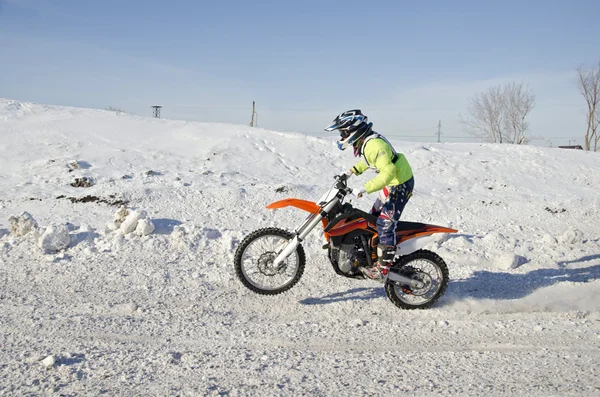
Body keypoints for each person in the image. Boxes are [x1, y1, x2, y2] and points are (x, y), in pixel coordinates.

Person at [325, 109, 414, 281]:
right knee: (371, 218)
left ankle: (383, 268)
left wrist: (364, 188)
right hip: (392, 183)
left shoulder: (375, 145)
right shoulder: (366, 142)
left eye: (343, 132)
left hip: (400, 184)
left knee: (384, 223)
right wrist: (351, 171)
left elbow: (388, 172)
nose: (342, 136)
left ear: (353, 130)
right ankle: (370, 253)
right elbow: (368, 161)